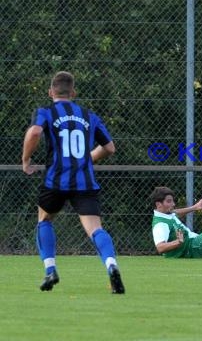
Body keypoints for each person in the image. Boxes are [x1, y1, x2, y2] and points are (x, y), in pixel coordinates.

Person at [21, 71, 125, 294]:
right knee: (95, 228)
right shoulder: (89, 115)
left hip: (55, 180)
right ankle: (111, 264)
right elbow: (109, 148)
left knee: (45, 219)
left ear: (50, 92)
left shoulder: (45, 112)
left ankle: (50, 269)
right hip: (84, 182)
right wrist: (88, 158)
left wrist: (26, 160)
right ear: (73, 93)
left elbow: (35, 133)